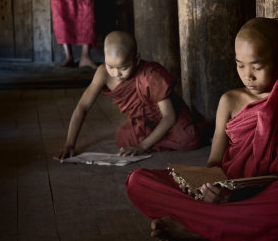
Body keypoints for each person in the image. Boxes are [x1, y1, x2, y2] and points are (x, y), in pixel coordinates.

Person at [125, 17, 278, 241]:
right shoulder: (229, 100)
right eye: (240, 65)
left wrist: (238, 194)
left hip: (263, 195)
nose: (247, 75)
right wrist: (206, 186)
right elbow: (214, 162)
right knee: (138, 181)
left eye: (257, 67)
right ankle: (220, 224)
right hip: (223, 190)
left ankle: (197, 228)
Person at [57, 31, 209, 159]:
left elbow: (169, 116)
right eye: (111, 66)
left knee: (189, 139)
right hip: (144, 123)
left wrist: (142, 146)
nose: (116, 74)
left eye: (123, 67)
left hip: (170, 119)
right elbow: (83, 106)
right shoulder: (103, 73)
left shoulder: (150, 75)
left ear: (136, 60)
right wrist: (69, 144)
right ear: (104, 59)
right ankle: (154, 140)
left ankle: (203, 126)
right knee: (123, 138)